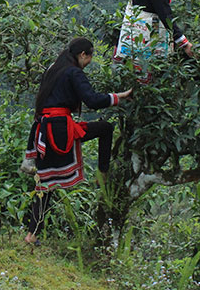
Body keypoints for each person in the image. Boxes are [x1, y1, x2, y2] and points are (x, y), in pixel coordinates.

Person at [22, 37, 132, 246]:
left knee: (44, 184)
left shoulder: (53, 68)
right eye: (90, 57)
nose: (89, 62)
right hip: (60, 129)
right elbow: (92, 100)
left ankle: (32, 235)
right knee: (106, 128)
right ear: (83, 55)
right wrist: (119, 96)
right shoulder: (74, 72)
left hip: (43, 129)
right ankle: (102, 173)